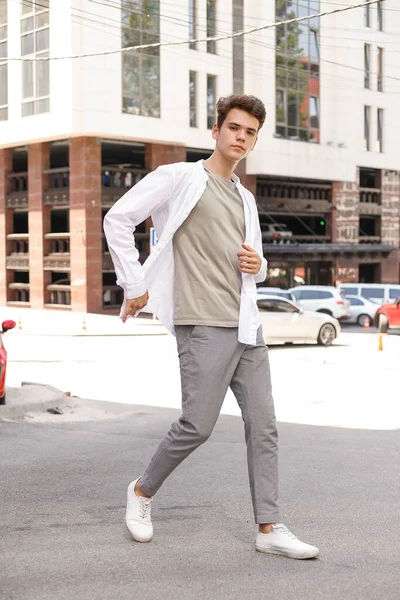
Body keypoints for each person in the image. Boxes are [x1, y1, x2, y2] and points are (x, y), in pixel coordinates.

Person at [103, 94, 319, 560]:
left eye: (250, 133)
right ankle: (142, 491)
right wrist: (133, 281)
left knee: (264, 427)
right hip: (201, 321)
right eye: (235, 128)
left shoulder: (246, 197)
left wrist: (259, 264)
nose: (241, 138)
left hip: (247, 326)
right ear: (216, 130)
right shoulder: (180, 177)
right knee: (197, 426)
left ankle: (269, 526)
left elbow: (254, 267)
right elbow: (117, 218)